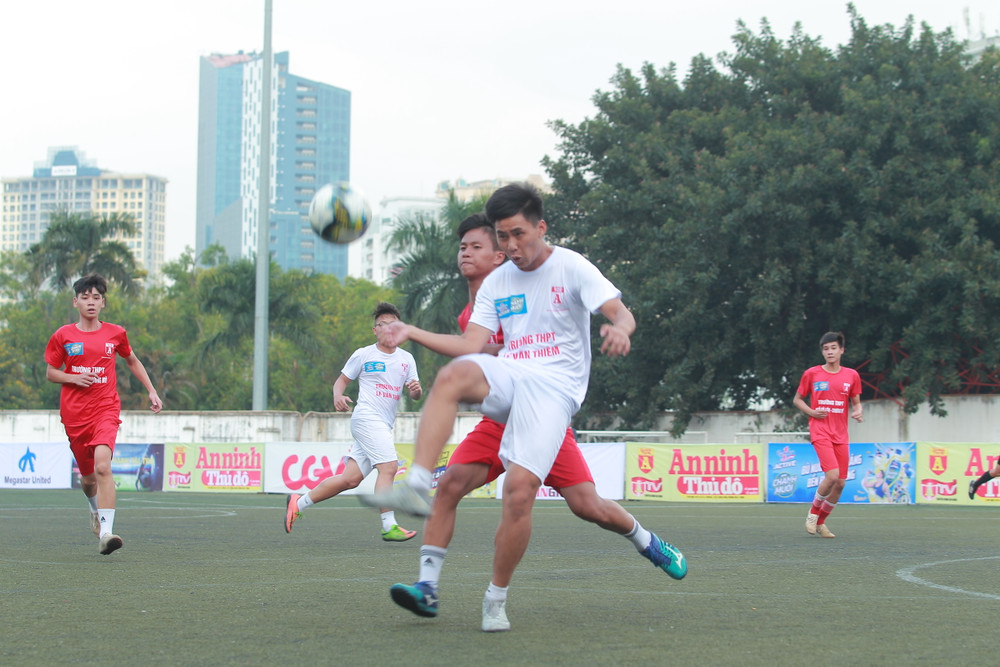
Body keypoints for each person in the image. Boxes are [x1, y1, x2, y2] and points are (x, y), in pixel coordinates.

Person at [362, 183, 685, 632]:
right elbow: (470, 346)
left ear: (541, 227)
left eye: (517, 234)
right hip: (512, 384)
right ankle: (417, 495)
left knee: (561, 500)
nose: (511, 246)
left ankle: (500, 599)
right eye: (502, 237)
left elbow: (620, 312)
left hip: (554, 395)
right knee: (452, 380)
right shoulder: (497, 284)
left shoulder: (571, 266)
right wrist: (410, 331)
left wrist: (621, 329)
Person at [44, 273, 163, 555]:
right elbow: (51, 372)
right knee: (88, 480)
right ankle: (93, 510)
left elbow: (132, 360)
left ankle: (107, 533)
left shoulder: (115, 333)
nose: (91, 302)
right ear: (75, 302)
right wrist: (73, 377)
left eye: (96, 297)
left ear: (103, 303)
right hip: (75, 415)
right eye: (85, 297)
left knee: (103, 467)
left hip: (106, 409)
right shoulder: (63, 335)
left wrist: (152, 390)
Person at [284, 302, 422, 542]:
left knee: (350, 479)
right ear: (375, 330)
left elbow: (415, 395)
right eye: (383, 324)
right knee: (389, 468)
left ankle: (299, 502)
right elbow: (341, 381)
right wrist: (337, 396)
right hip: (366, 418)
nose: (389, 328)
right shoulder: (363, 354)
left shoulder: (407, 359)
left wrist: (416, 390)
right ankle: (389, 525)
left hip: (383, 425)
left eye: (394, 324)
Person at [792, 331, 863, 538]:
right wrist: (812, 412)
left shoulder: (852, 375)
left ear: (842, 350)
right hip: (820, 430)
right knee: (832, 476)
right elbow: (797, 399)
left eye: (833, 348)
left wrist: (858, 411)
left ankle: (821, 522)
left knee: (840, 483)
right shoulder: (812, 374)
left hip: (841, 434)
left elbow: (856, 402)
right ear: (822, 352)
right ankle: (813, 514)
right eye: (826, 349)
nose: (829, 352)